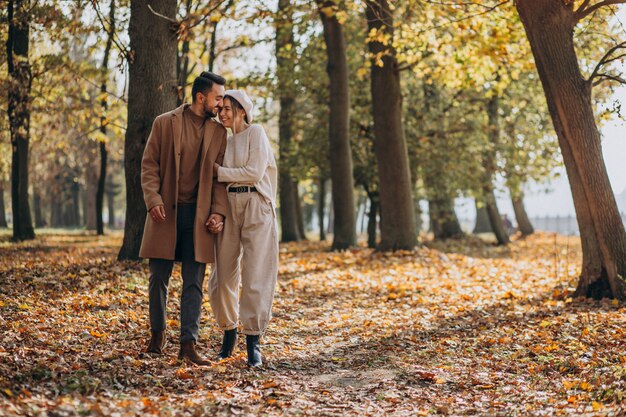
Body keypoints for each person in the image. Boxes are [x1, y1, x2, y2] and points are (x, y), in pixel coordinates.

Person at [140, 71, 228, 366]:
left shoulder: (219, 133)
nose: (221, 104)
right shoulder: (165, 123)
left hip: (199, 215)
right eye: (218, 98)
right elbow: (149, 164)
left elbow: (219, 180)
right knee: (158, 279)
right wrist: (153, 199)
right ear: (201, 97)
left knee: (194, 282)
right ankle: (156, 338)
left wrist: (218, 212)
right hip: (165, 211)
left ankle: (188, 345)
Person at [209, 90, 278, 367]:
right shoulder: (223, 141)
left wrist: (220, 172)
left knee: (255, 274)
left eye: (228, 108)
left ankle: (253, 341)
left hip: (256, 205)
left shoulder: (256, 133)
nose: (222, 113)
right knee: (222, 275)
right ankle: (229, 331)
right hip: (229, 205)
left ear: (242, 110)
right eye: (221, 109)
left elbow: (254, 172)